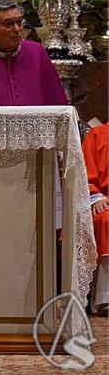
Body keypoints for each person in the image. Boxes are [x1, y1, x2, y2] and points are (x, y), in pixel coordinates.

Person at [81, 123, 109, 315]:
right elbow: (83, 173)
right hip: (105, 199)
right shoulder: (98, 135)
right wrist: (95, 196)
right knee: (106, 220)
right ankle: (105, 299)